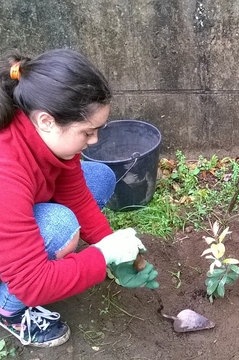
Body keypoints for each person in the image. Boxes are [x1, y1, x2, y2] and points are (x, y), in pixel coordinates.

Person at [0, 49, 159, 347]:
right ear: (47, 121)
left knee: (99, 177)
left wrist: (118, 255)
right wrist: (102, 256)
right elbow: (34, 282)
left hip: (9, 214)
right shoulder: (5, 169)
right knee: (62, 228)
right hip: (7, 212)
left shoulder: (45, 135)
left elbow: (77, 195)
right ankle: (8, 309)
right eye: (88, 132)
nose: (94, 140)